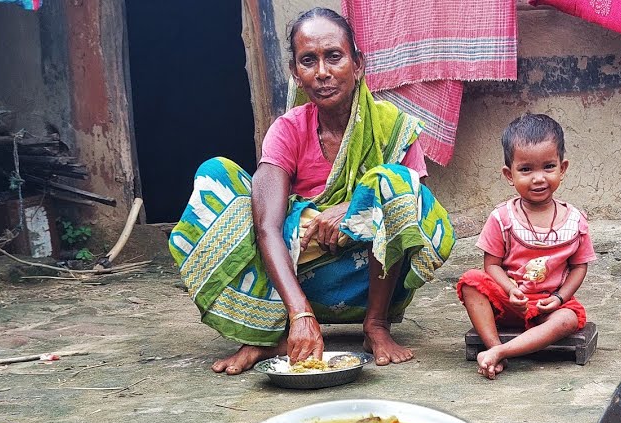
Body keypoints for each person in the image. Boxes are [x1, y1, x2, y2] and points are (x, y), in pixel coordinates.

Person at [168, 7, 453, 374]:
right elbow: (267, 227)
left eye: (334, 56)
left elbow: (413, 206)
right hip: (295, 279)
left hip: (367, 278)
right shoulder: (288, 130)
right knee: (215, 175)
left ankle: (376, 325)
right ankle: (268, 334)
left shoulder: (393, 127)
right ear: (295, 73)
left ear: (358, 64)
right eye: (308, 61)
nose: (322, 72)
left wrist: (352, 208)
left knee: (394, 181)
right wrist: (300, 312)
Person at [456, 113, 595, 380]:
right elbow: (491, 265)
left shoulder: (575, 221)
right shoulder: (502, 218)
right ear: (509, 174)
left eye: (549, 167)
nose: (538, 178)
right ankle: (494, 346)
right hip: (509, 302)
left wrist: (559, 298)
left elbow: (579, 266)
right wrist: (510, 290)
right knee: (471, 281)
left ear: (563, 168)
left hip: (547, 306)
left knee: (568, 319)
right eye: (526, 169)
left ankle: (500, 352)